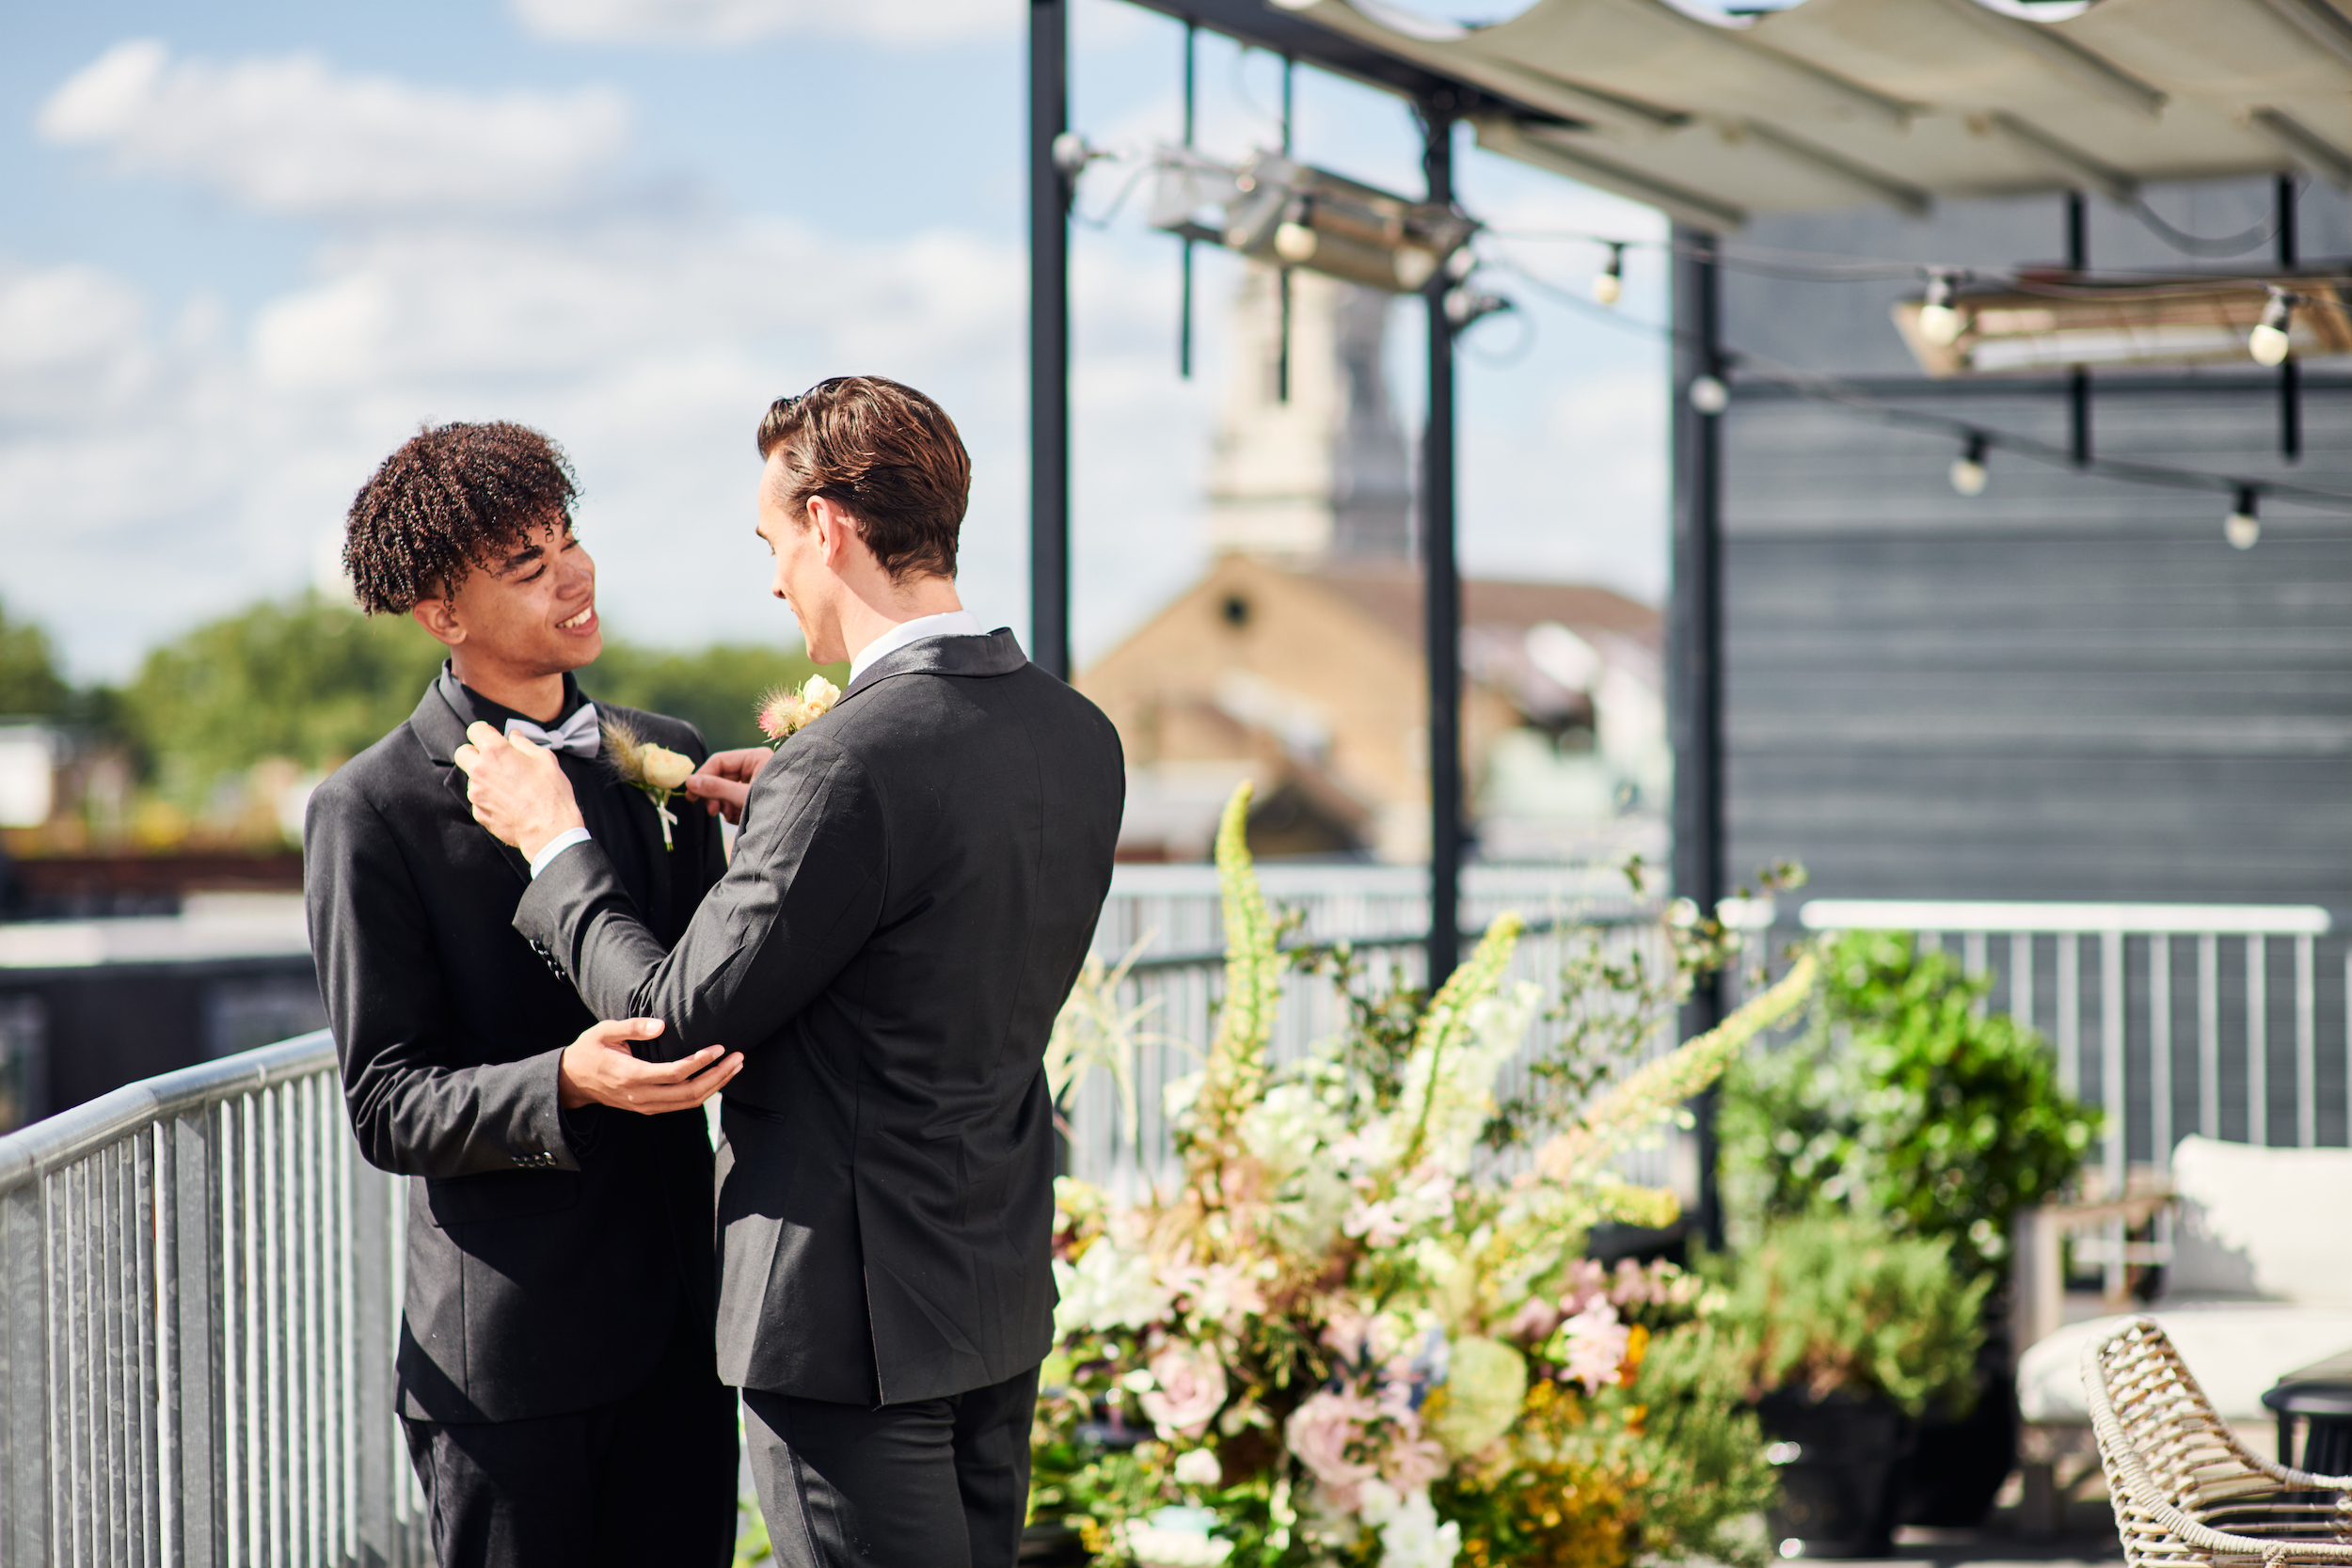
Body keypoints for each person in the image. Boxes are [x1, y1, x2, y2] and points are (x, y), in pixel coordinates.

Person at [454, 376, 1125, 1568]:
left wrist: (554, 844)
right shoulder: (1075, 731)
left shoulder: (848, 767)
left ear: (827, 523)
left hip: (843, 1327)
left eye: (771, 542)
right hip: (993, 1294)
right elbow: (936, 922)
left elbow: (670, 1020)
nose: (773, 580)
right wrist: (801, 815)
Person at [305, 421, 743, 1568]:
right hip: (507, 1364)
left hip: (683, 1338)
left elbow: (707, 993)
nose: (574, 574)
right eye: (528, 564)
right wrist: (566, 1081)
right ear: (441, 614)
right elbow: (387, 1102)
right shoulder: (368, 809)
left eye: (569, 539)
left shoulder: (665, 755)